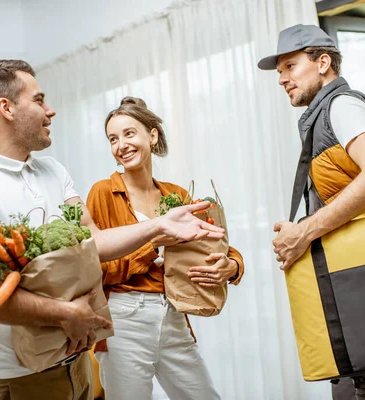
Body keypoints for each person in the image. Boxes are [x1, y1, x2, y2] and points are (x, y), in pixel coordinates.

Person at [0, 60, 223, 400]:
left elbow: (94, 240)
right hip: (19, 376)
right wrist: (65, 314)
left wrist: (158, 226)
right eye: (39, 100)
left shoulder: (53, 171)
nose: (50, 110)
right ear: (6, 108)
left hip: (76, 363)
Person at [258, 25, 365, 399]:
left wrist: (306, 230)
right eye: (280, 71)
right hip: (359, 286)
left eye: (290, 66)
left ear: (323, 62)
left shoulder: (342, 106)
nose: (282, 79)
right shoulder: (324, 116)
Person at [85, 96, 245, 400]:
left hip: (173, 312)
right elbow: (96, 268)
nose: (121, 145)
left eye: (129, 133)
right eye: (113, 139)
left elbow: (213, 239)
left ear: (152, 135)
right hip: (124, 318)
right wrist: (153, 246)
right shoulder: (103, 193)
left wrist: (233, 266)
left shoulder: (176, 194)